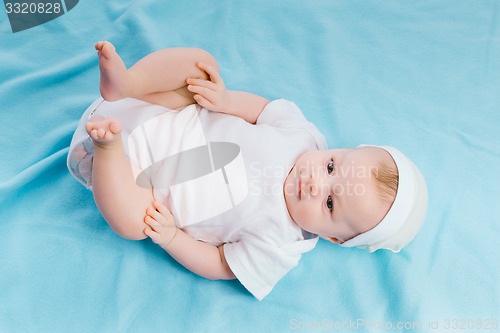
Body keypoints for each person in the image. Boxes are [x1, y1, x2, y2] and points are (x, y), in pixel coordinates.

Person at [67, 41, 428, 300]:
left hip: (139, 180)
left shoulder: (281, 246)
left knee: (135, 224)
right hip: (162, 110)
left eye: (330, 204)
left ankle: (107, 150)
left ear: (335, 238)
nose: (315, 183)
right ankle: (126, 84)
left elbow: (222, 263)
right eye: (332, 166)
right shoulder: (306, 137)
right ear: (341, 150)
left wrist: (173, 238)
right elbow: (262, 110)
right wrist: (224, 101)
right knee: (201, 67)